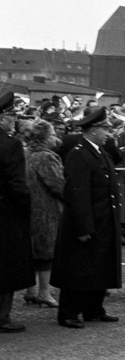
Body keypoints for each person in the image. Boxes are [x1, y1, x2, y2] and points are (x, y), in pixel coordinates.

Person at [51, 106, 122, 328]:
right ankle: (69, 312)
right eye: (105, 129)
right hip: (86, 221)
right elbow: (77, 194)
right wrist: (83, 227)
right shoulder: (79, 155)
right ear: (92, 130)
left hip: (103, 219)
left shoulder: (101, 153)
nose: (108, 133)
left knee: (99, 265)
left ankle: (94, 308)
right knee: (78, 267)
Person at [0, 92, 34, 333]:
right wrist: (26, 208)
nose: (15, 119)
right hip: (5, 213)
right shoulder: (10, 145)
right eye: (12, 114)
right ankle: (2, 317)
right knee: (5, 265)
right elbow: (17, 184)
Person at [24, 119, 65, 308]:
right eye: (52, 135)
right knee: (46, 253)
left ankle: (30, 290)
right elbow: (57, 184)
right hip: (47, 209)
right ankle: (44, 292)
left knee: (32, 250)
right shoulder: (47, 157)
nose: (55, 138)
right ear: (44, 138)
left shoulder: (26, 154)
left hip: (29, 207)